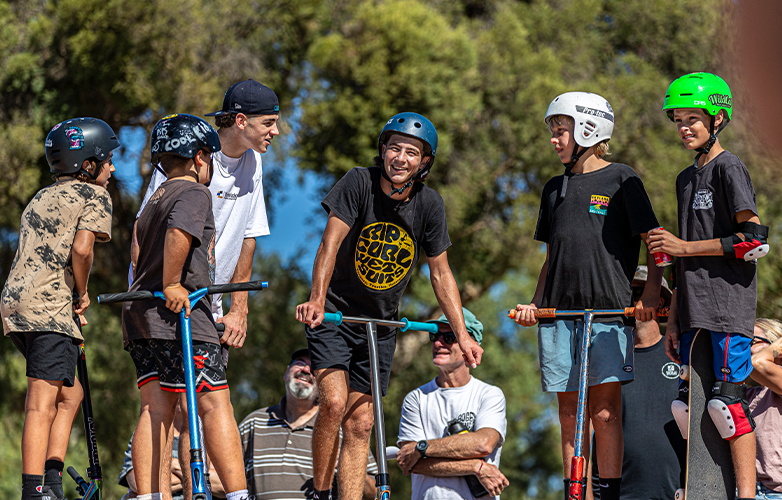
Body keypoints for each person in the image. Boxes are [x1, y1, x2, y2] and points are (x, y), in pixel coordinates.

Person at [295, 112, 484, 500]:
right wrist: (316, 298)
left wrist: (462, 336)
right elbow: (329, 243)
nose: (400, 158)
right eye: (394, 148)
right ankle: (320, 492)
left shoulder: (429, 205)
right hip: (335, 312)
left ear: (424, 162)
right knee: (332, 402)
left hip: (380, 325)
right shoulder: (358, 182)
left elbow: (441, 274)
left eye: (411, 152)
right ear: (382, 151)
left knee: (362, 423)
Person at [130, 79, 278, 496]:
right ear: (242, 120)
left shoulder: (254, 162)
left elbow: (250, 233)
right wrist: (162, 285)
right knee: (207, 405)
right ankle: (233, 493)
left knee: (170, 407)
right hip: (178, 300)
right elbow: (144, 233)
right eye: (269, 122)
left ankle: (174, 493)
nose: (276, 132)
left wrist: (239, 307)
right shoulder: (193, 169)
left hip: (195, 303)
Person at [512, 92, 662, 500]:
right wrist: (534, 304)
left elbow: (655, 241)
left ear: (588, 129)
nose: (554, 139)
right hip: (560, 313)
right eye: (554, 132)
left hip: (610, 312)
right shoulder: (553, 188)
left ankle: (608, 492)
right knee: (567, 411)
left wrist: (650, 293)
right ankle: (575, 493)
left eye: (560, 131)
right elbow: (550, 259)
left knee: (605, 410)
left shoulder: (622, 179)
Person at [647, 72, 768, 500]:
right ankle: (702, 490)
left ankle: (747, 497)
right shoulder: (685, 179)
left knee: (727, 407)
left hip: (728, 308)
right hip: (693, 312)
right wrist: (674, 320)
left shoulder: (729, 167)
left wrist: (683, 245)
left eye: (693, 118)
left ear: (717, 118)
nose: (684, 127)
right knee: (688, 408)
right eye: (678, 119)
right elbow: (682, 262)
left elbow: (755, 239)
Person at [122, 113, 249, 500]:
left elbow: (137, 247)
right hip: (180, 317)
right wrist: (172, 282)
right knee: (215, 403)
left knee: (154, 409)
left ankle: (148, 496)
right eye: (209, 157)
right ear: (199, 158)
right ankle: (239, 495)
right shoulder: (195, 192)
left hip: (142, 316)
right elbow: (180, 232)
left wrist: (153, 282)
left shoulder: (154, 198)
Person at [0, 117, 120, 500]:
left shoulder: (41, 196)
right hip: (50, 306)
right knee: (42, 400)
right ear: (88, 165)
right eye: (108, 160)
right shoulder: (94, 196)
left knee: (72, 395)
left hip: (15, 304)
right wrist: (81, 294)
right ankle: (34, 491)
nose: (113, 168)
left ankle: (51, 481)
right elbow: (82, 250)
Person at [588, 266, 686, 500]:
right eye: (622, 294)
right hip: (618, 494)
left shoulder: (683, 356)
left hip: (678, 492)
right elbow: (589, 428)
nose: (627, 302)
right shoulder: (605, 362)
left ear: (660, 302)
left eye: (635, 293)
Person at [396, 307, 509, 499]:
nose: (438, 343)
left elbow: (483, 444)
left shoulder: (489, 395)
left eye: (449, 337)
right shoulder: (415, 398)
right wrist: (475, 466)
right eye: (435, 336)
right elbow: (409, 463)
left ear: (470, 346)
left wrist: (421, 448)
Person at [239, 348, 379, 500]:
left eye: (314, 368)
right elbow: (221, 474)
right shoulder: (253, 423)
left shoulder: (341, 429)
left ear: (325, 384)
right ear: (286, 373)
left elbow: (377, 493)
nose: (306, 370)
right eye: (300, 363)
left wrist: (349, 467)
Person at [118, 407, 226, 500]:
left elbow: (224, 485)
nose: (178, 392)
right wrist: (194, 477)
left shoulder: (212, 435)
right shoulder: (147, 432)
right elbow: (137, 482)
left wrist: (173, 465)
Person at [748, 318, 782, 499]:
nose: (744, 346)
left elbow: (757, 364)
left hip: (776, 494)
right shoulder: (752, 394)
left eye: (752, 340)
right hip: (748, 491)